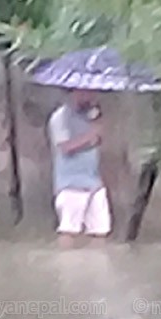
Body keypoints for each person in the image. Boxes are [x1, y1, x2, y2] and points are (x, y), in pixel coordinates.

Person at [48, 89, 112, 246]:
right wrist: (90, 135)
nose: (89, 96)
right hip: (71, 184)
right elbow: (65, 147)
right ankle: (65, 265)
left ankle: (97, 265)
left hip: (94, 182)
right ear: (73, 93)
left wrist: (98, 128)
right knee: (69, 230)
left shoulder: (92, 115)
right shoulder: (60, 117)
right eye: (84, 93)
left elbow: (96, 142)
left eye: (91, 93)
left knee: (100, 231)